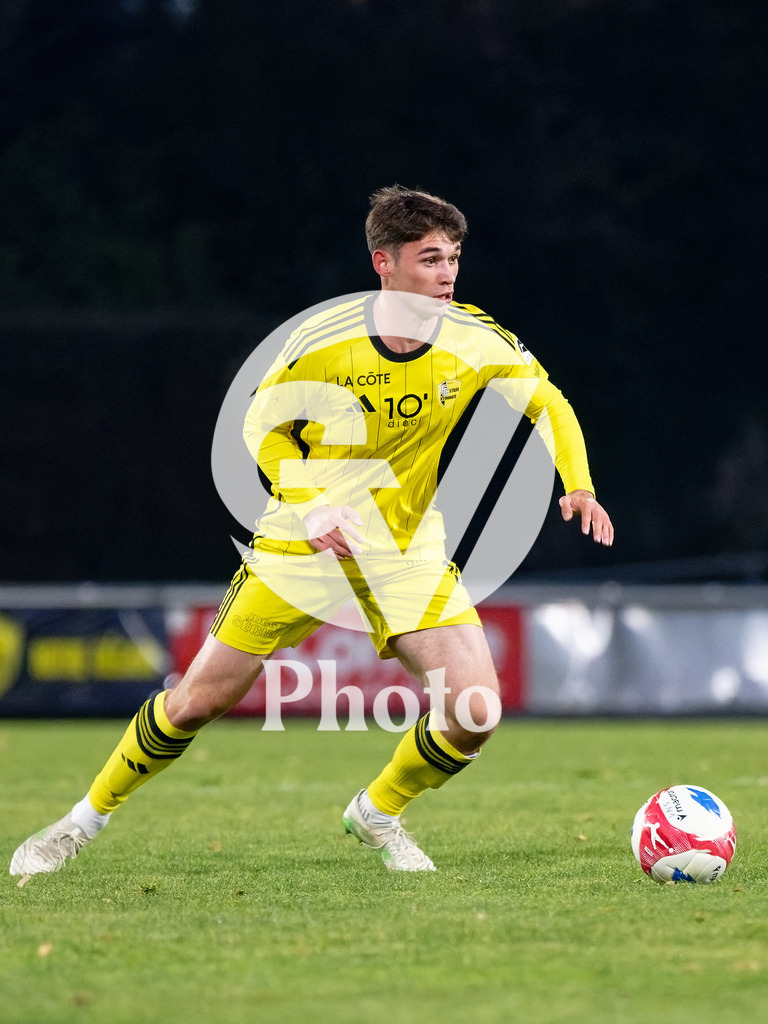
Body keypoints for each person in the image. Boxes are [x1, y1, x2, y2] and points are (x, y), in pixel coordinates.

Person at [10, 186, 613, 876]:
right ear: (383, 263)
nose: (447, 274)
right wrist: (312, 503)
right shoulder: (325, 341)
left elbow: (549, 402)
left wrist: (579, 484)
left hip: (404, 552)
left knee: (476, 711)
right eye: (429, 259)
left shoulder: (474, 339)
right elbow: (259, 429)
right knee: (194, 702)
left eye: (452, 258)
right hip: (302, 544)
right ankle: (78, 824)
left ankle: (379, 811)